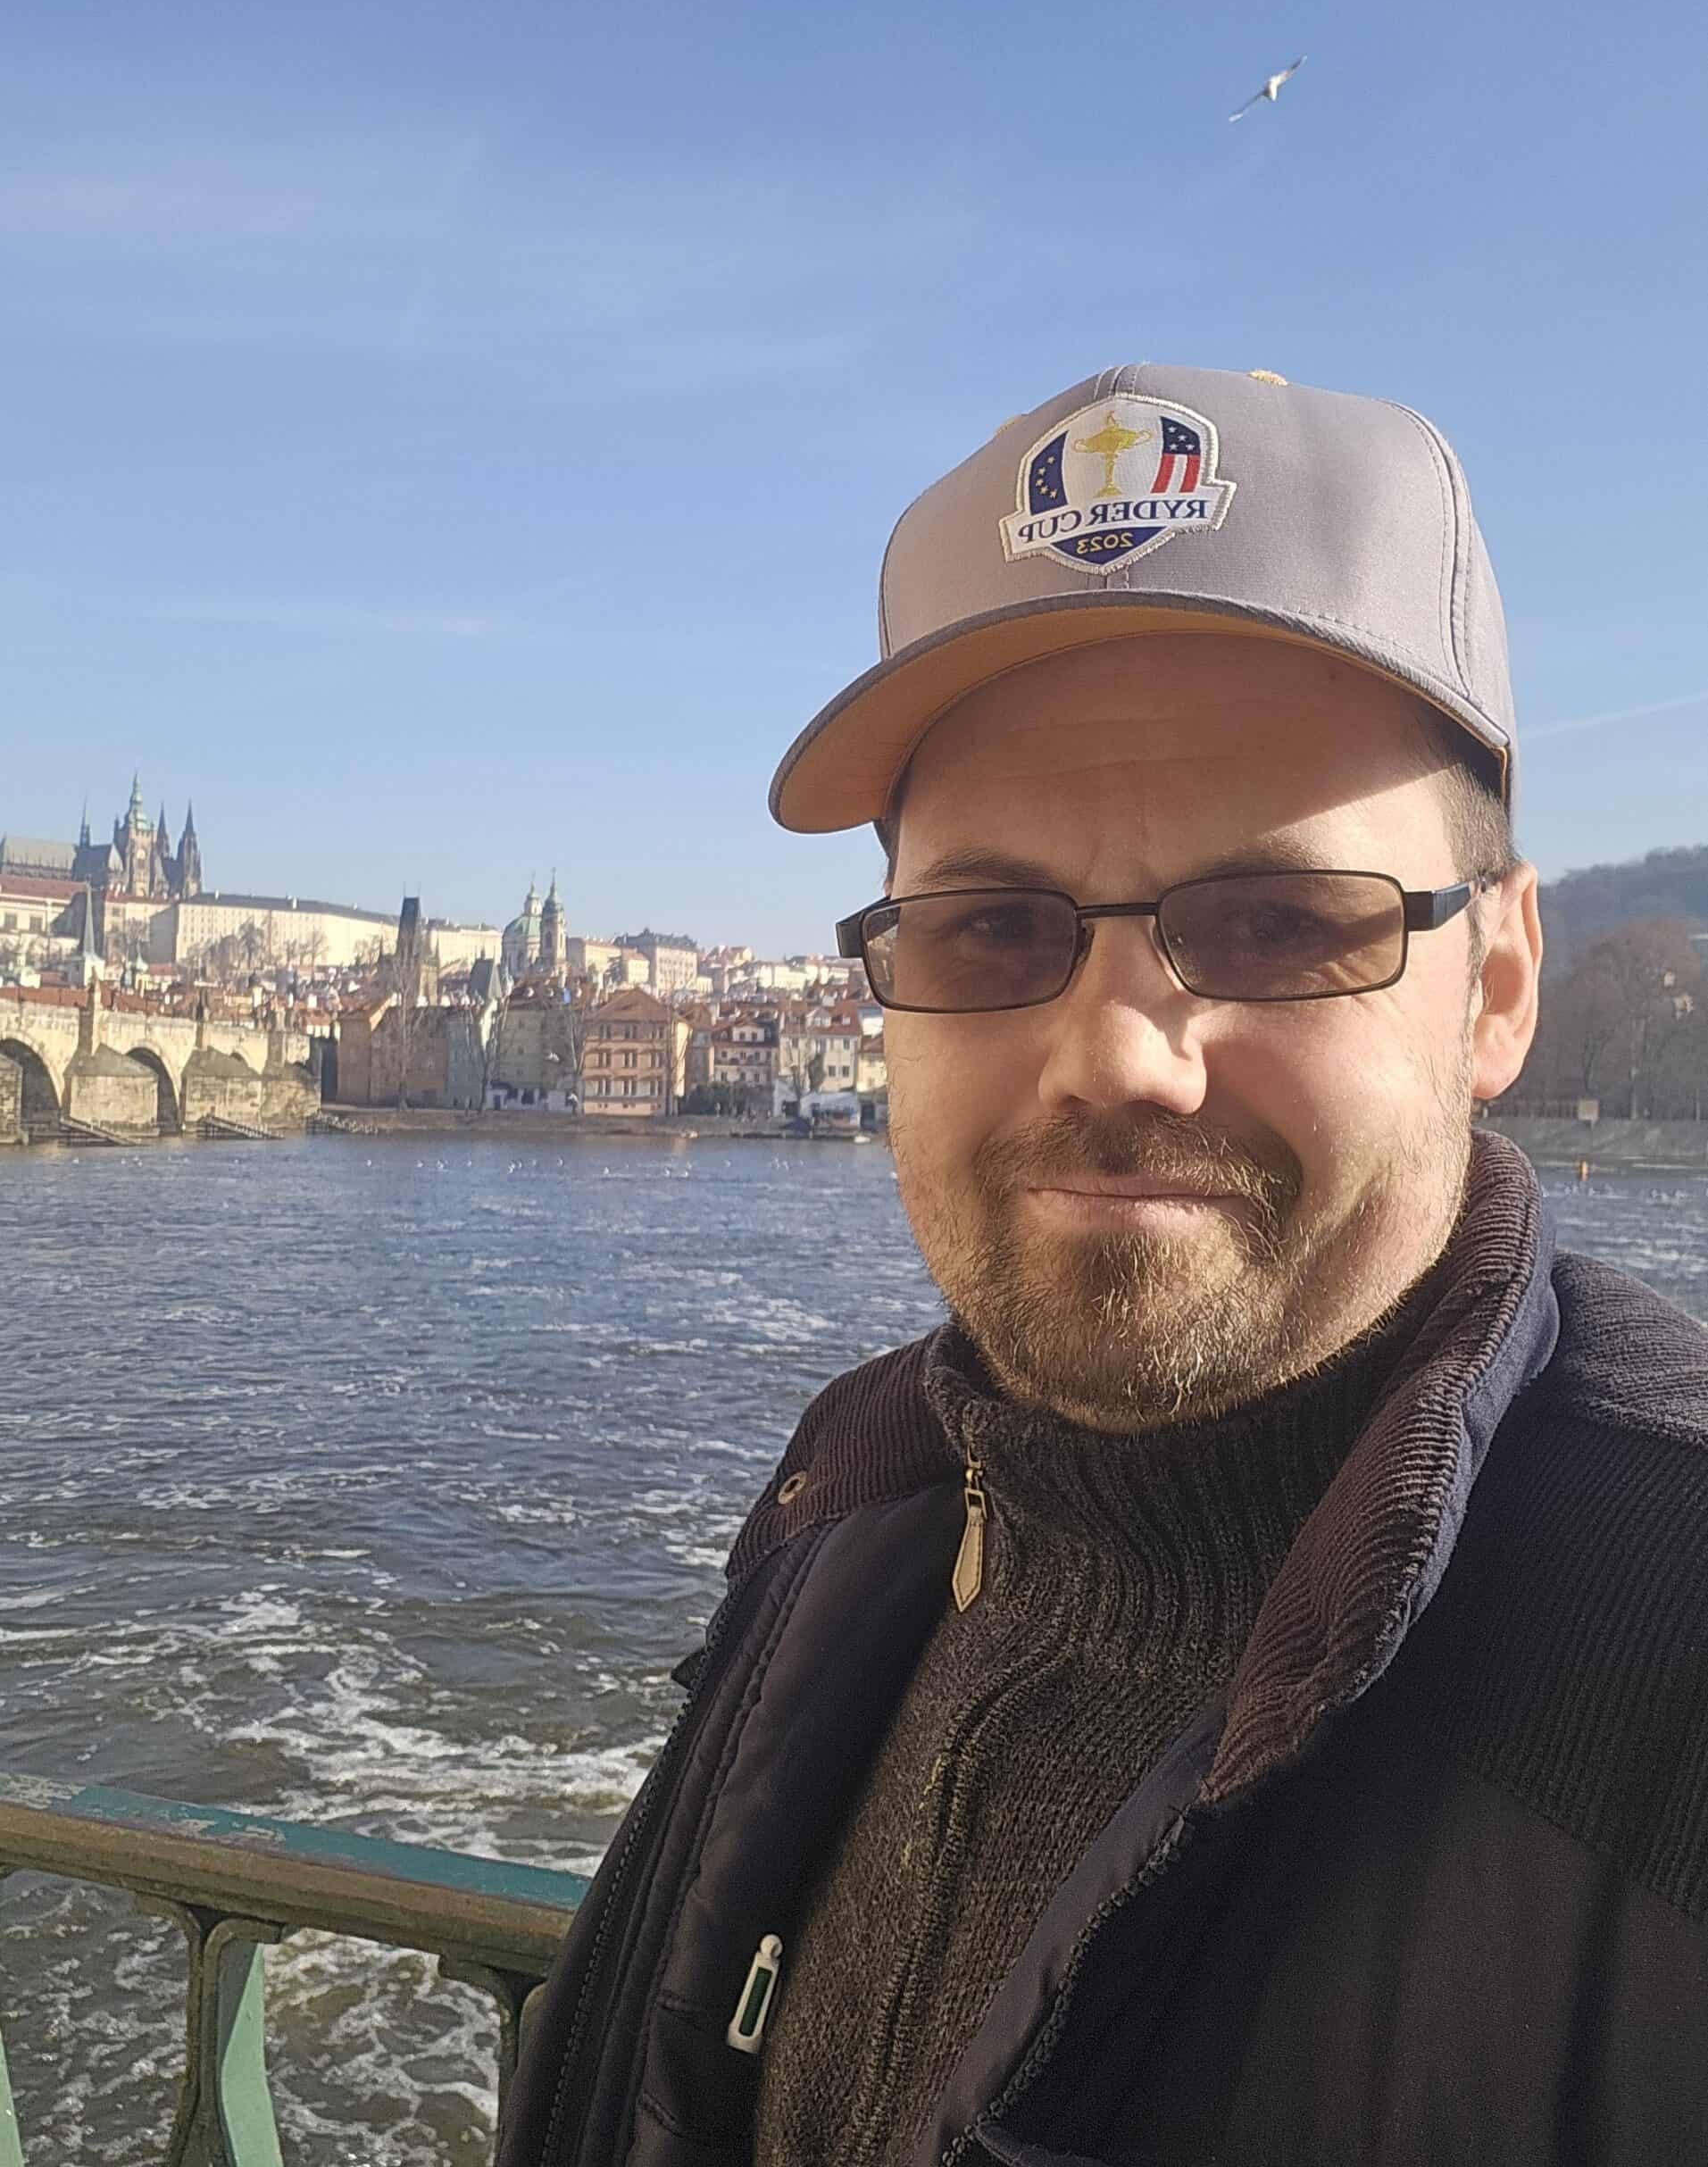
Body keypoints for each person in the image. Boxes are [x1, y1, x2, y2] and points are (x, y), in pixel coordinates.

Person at [499, 365, 1708, 2167]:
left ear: (1500, 986)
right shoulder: (852, 1496)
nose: (1120, 1056)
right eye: (993, 927)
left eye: (1278, 922)